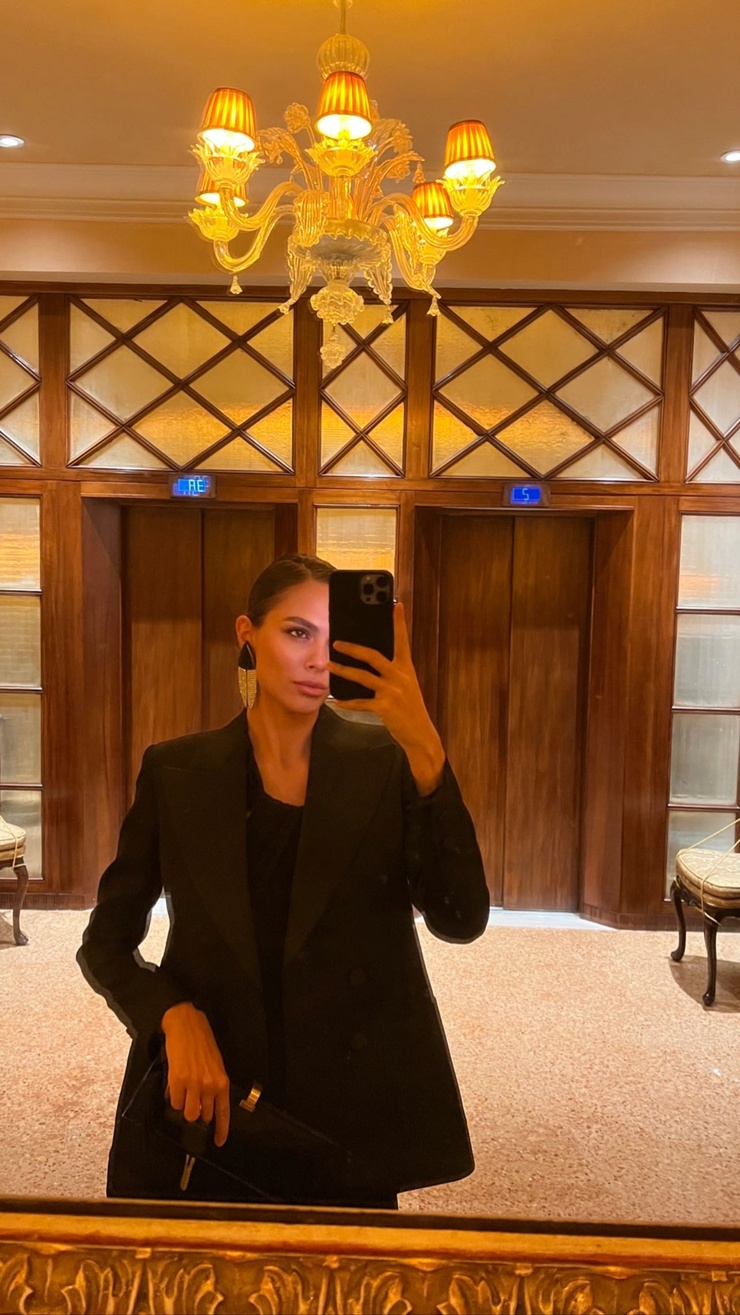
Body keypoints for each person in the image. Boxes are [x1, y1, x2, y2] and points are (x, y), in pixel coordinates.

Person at [77, 553, 489, 1208]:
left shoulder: (386, 766)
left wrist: (424, 744)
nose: (318, 659)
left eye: (334, 639)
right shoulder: (177, 773)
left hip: (347, 1114)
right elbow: (105, 943)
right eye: (297, 632)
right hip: (215, 1103)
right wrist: (170, 1014)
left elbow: (460, 918)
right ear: (247, 634)